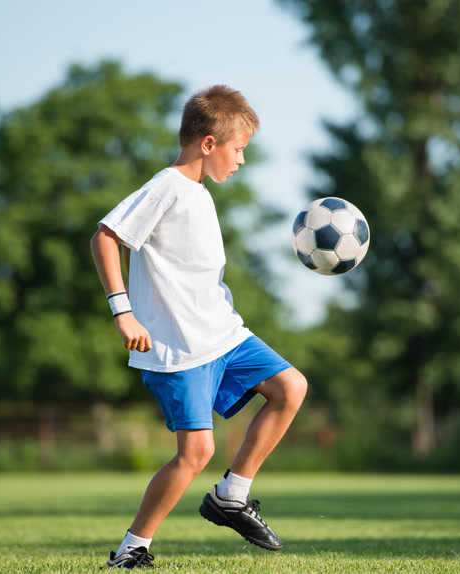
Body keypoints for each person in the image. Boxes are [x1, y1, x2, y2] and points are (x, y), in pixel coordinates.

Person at [90, 85, 308, 569]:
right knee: (195, 453)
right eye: (239, 149)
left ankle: (233, 494)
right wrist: (123, 311)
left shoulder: (200, 194)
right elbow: (105, 238)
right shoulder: (165, 186)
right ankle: (131, 550)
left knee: (291, 386)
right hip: (178, 348)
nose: (242, 161)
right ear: (208, 143)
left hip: (224, 334)